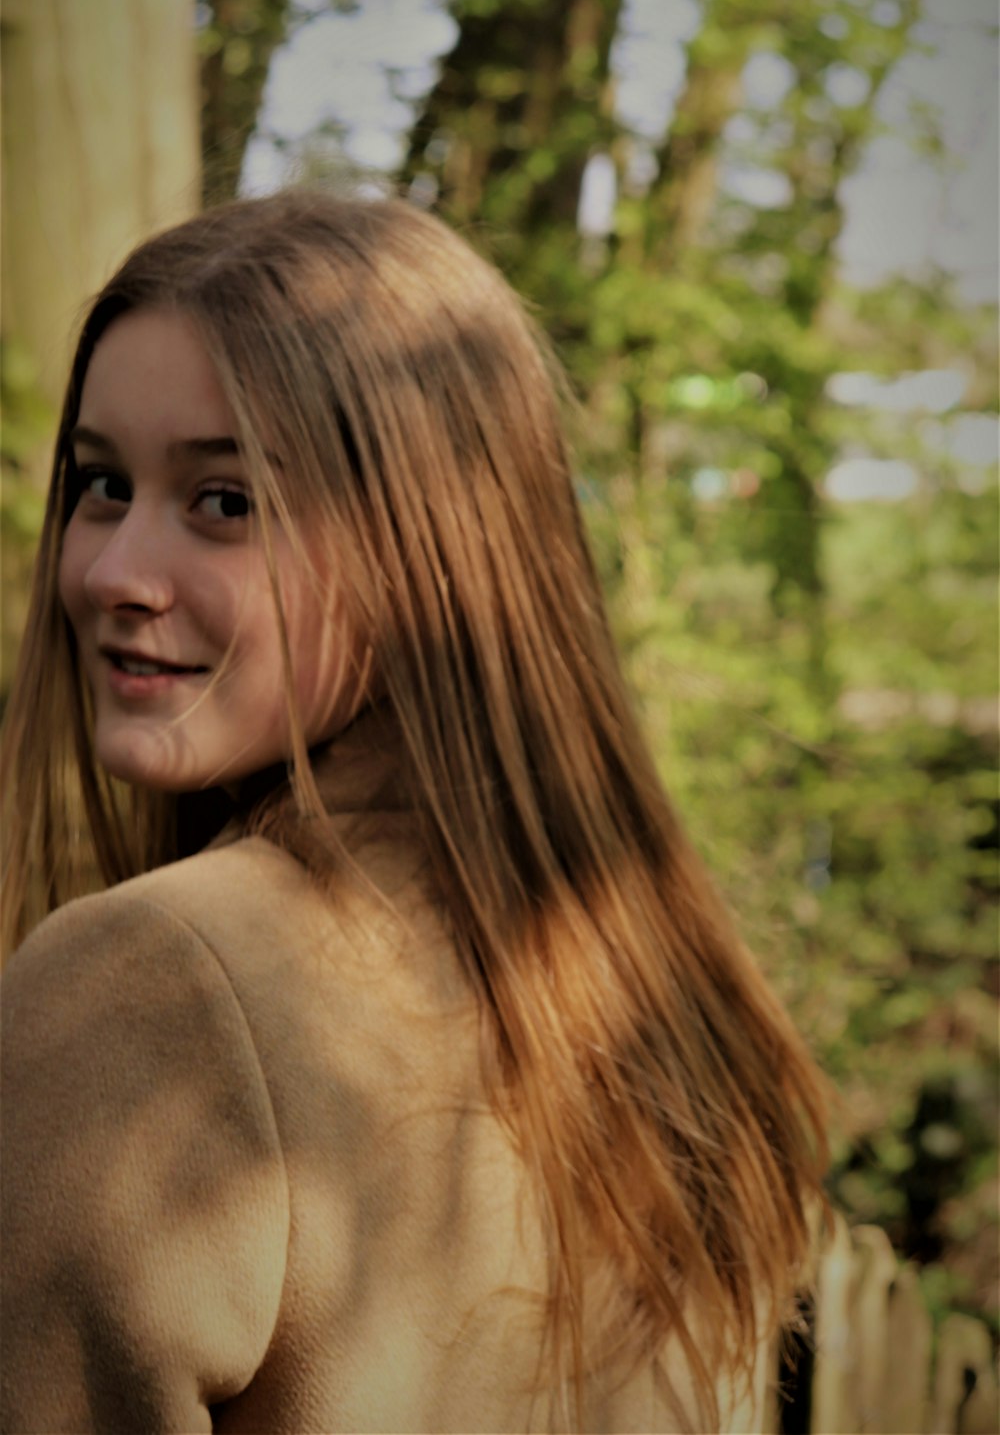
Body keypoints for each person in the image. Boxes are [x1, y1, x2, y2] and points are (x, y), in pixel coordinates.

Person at [0, 191, 827, 1434]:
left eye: (224, 502)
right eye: (102, 485)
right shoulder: (647, 984)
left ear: (427, 548)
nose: (116, 569)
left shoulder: (152, 985)